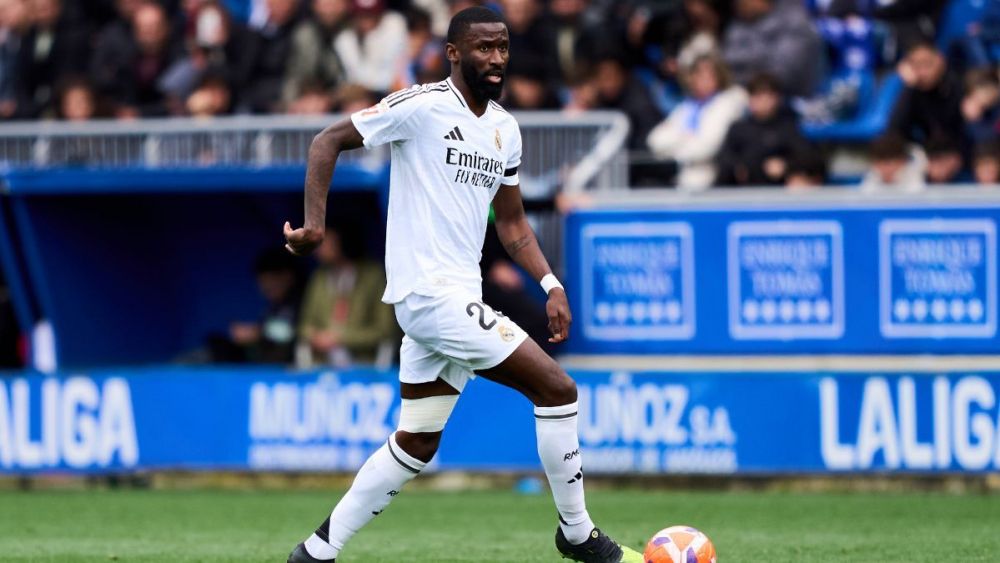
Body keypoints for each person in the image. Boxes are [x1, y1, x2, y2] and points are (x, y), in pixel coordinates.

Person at [282, 7, 643, 563]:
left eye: (503, 47)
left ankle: (315, 552)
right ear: (453, 53)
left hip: (456, 299)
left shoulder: (504, 129)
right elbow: (327, 140)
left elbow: (513, 224)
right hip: (430, 296)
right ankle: (578, 535)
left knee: (417, 441)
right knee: (558, 389)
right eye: (483, 47)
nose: (496, 58)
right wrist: (315, 225)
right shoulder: (421, 106)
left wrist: (550, 283)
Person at [297, 224, 396, 367]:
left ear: (343, 241)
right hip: (322, 364)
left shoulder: (373, 276)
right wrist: (316, 336)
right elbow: (304, 325)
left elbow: (385, 330)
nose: (318, 249)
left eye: (325, 242)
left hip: (364, 364)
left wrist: (342, 338)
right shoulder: (319, 277)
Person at [646, 53, 747, 190]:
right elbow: (654, 141)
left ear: (720, 76)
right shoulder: (688, 106)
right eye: (698, 74)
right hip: (682, 178)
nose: (703, 79)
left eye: (709, 75)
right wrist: (686, 137)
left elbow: (706, 148)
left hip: (714, 180)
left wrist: (675, 147)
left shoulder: (727, 103)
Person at [715, 72, 807, 186]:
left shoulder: (787, 128)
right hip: (742, 190)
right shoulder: (738, 128)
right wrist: (737, 167)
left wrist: (786, 165)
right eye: (758, 96)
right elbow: (724, 158)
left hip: (775, 189)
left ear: (777, 99)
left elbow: (808, 158)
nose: (763, 102)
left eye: (768, 96)